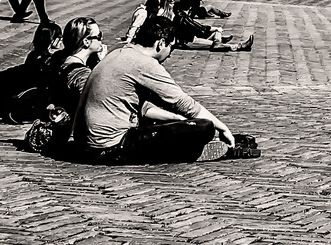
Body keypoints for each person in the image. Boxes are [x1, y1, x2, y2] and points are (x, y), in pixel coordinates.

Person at [72, 13, 259, 164]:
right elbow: (183, 103)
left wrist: (176, 119)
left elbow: (140, 107)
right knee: (204, 127)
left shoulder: (119, 53)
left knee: (174, 123)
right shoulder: (144, 64)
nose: (169, 54)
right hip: (109, 148)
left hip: (85, 144)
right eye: (170, 47)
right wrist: (222, 128)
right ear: (160, 44)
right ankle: (191, 152)